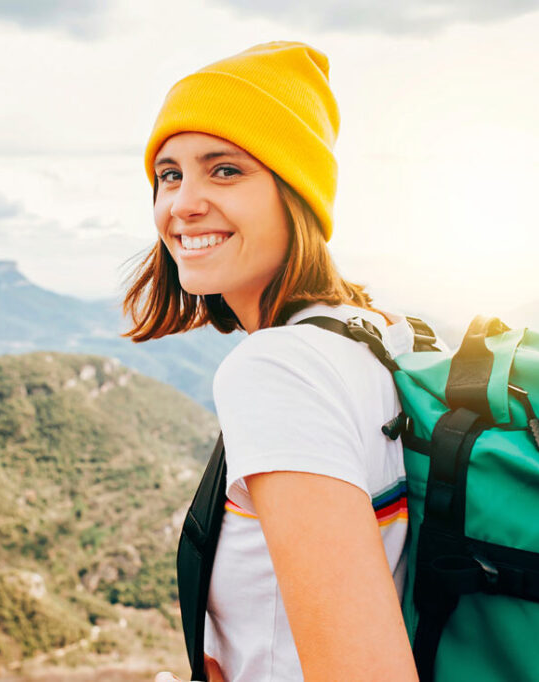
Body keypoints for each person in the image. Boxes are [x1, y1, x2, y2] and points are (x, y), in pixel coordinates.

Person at [123, 41, 420, 682]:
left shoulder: (278, 369)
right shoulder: (383, 335)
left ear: (297, 195)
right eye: (169, 174)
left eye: (224, 170)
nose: (183, 203)